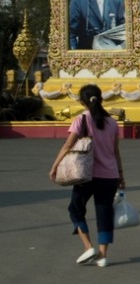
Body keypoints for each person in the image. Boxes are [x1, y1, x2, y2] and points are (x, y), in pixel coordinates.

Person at [48, 84, 124, 267]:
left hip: (87, 175)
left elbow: (67, 146)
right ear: (101, 99)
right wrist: (121, 175)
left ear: (82, 101)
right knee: (104, 212)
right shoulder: (112, 123)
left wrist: (55, 166)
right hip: (110, 175)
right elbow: (115, 151)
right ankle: (103, 256)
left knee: (75, 209)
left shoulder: (81, 119)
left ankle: (88, 246)